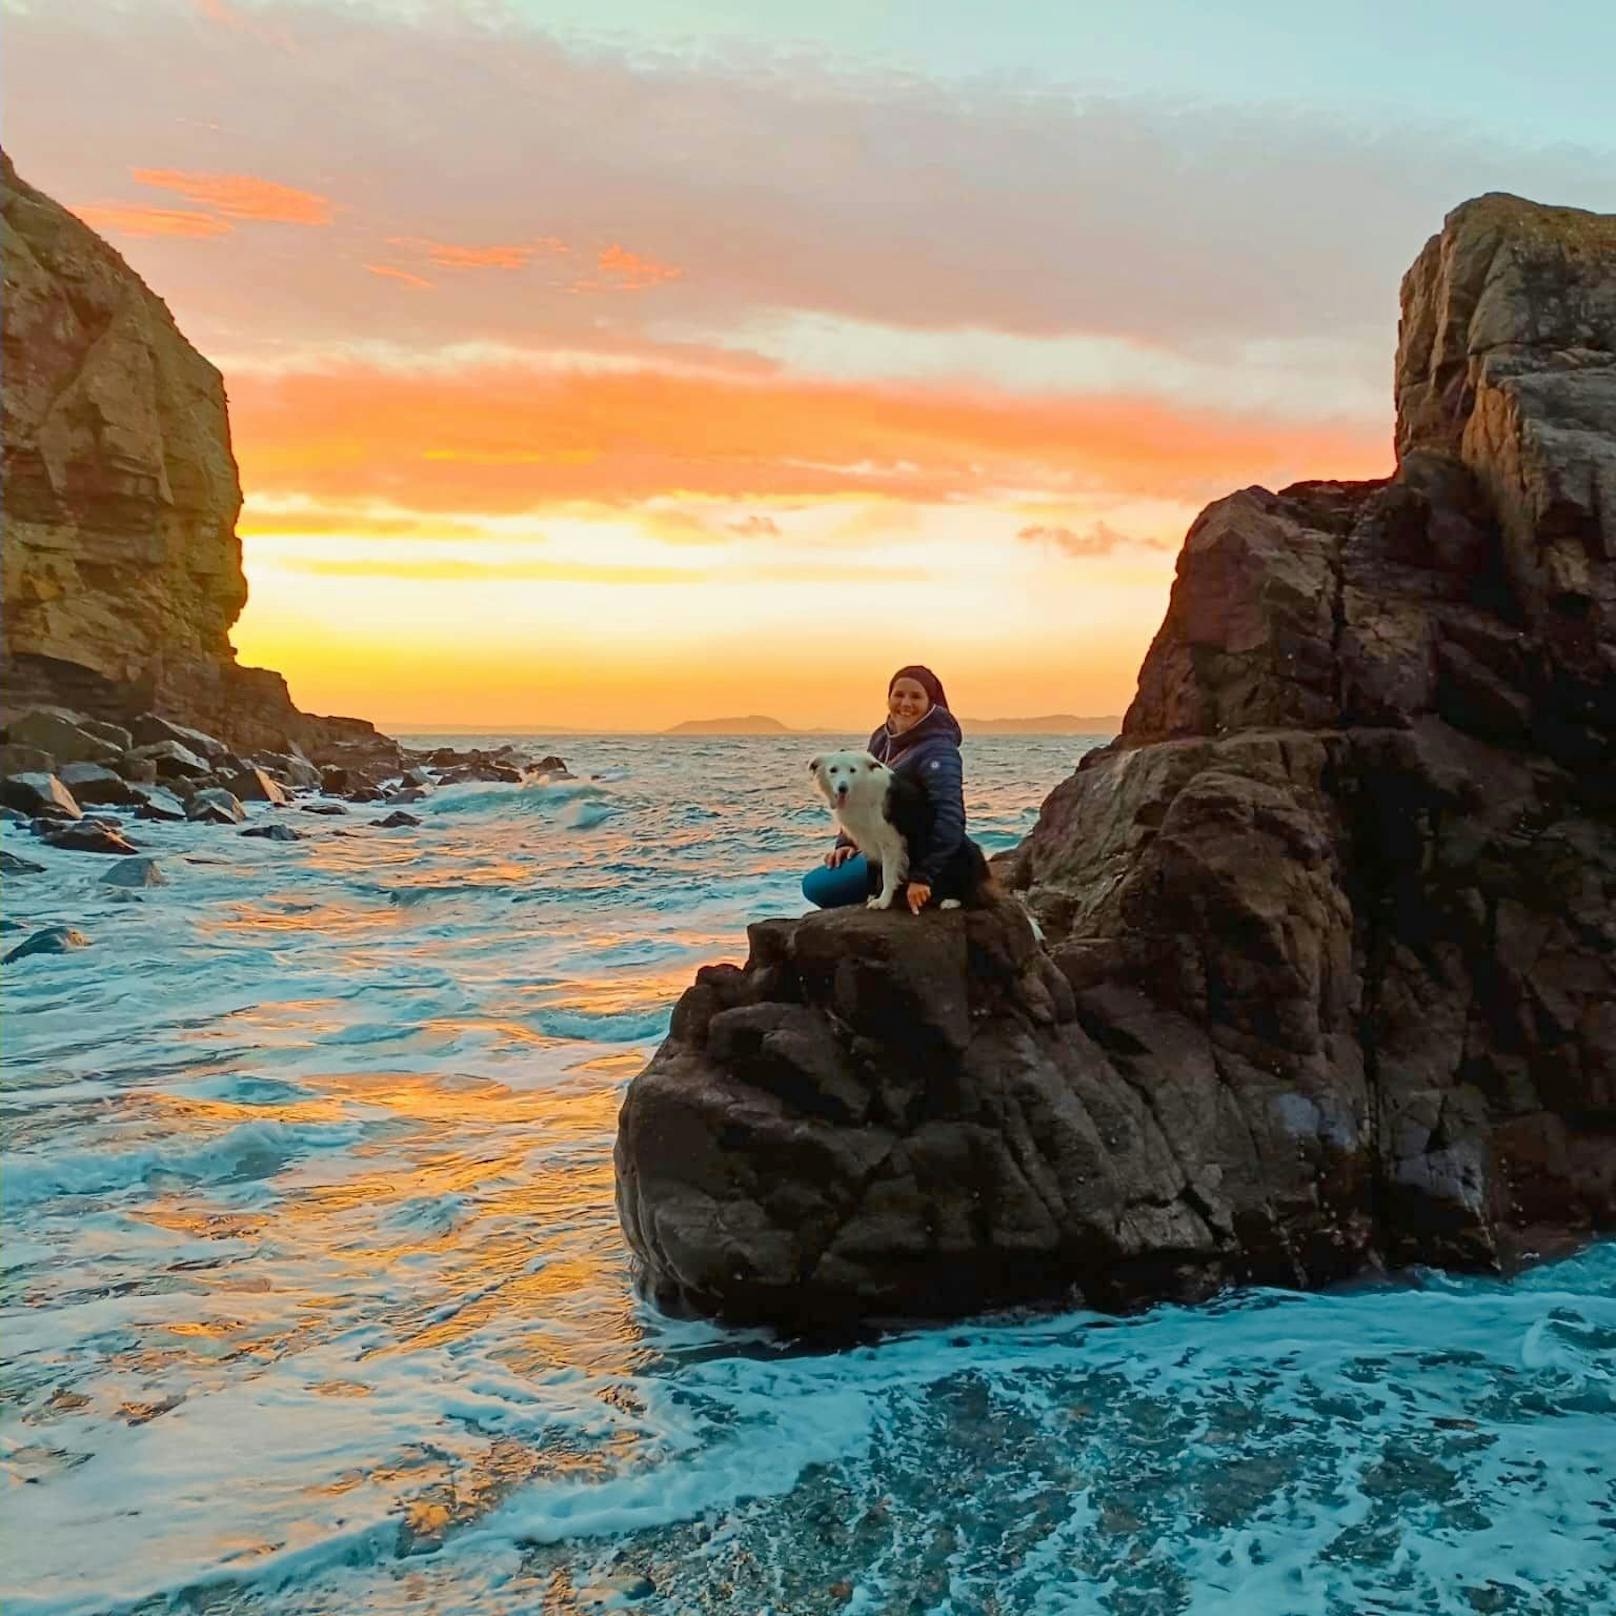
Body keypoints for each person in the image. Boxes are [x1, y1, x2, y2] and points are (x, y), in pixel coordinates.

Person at [802, 664, 967, 915]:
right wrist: (846, 842)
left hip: (920, 854)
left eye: (916, 696)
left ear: (931, 702)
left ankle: (889, 896)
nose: (905, 703)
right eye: (899, 694)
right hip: (882, 847)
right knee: (815, 884)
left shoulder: (939, 750)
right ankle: (877, 892)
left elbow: (949, 817)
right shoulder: (882, 737)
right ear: (888, 697)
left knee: (823, 889)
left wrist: (925, 876)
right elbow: (857, 798)